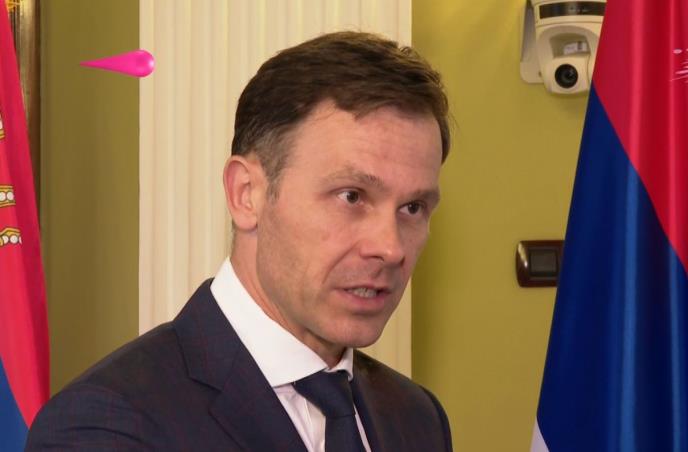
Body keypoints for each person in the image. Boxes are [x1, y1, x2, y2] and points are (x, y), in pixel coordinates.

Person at [26, 31, 452, 451]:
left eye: (412, 207)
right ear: (246, 194)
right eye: (351, 196)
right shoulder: (105, 426)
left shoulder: (418, 418)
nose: (390, 248)